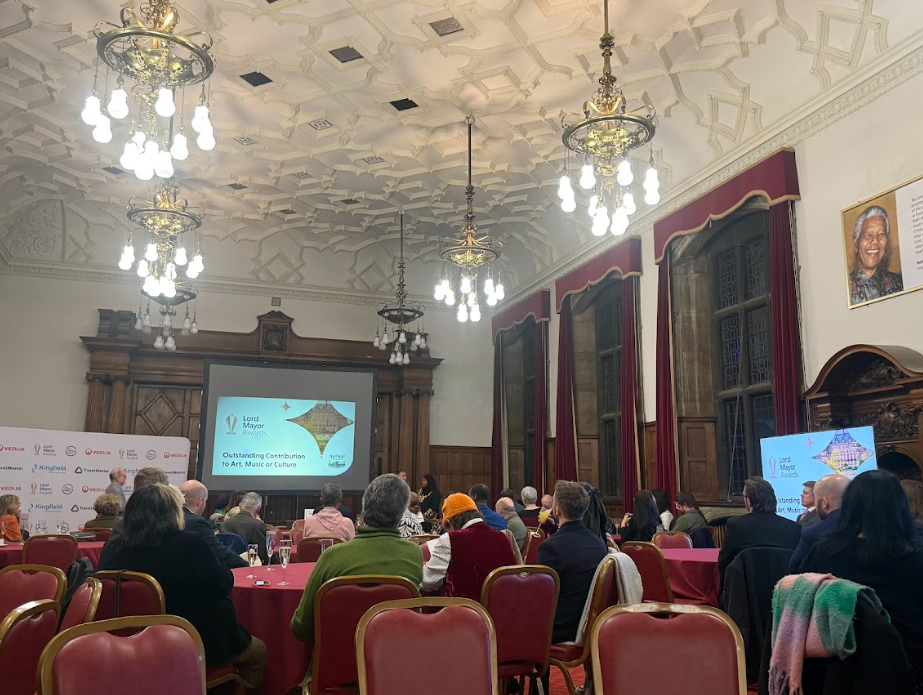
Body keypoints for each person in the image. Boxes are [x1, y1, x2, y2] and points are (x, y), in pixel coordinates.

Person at [98, 484, 266, 694]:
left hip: (121, 640)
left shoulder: (112, 546)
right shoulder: (189, 543)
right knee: (258, 651)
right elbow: (223, 584)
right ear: (174, 513)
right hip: (189, 641)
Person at [801, 470, 923, 684]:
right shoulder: (916, 554)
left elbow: (800, 601)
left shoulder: (823, 553)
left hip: (837, 669)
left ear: (850, 506)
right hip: (908, 670)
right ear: (900, 507)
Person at [292, 475, 423, 657]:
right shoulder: (414, 555)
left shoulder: (332, 556)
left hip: (334, 671)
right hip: (394, 669)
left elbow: (301, 628)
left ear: (364, 509)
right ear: (401, 515)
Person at [538, 481, 608, 643]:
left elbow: (542, 593)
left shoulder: (551, 547)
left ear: (556, 510)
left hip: (562, 627)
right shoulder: (598, 543)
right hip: (591, 623)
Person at [421, 493, 516, 599]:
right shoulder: (502, 536)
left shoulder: (450, 539)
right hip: (501, 608)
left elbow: (428, 582)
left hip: (465, 611)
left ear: (449, 522)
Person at [717, 477, 801, 581]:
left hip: (744, 589)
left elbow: (724, 561)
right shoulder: (794, 528)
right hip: (784, 590)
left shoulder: (736, 525)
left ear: (748, 500)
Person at [180, 480, 247, 570]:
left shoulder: (167, 517)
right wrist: (245, 564)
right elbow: (217, 551)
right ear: (199, 502)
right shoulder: (197, 523)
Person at [789, 474, 850, 573]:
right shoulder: (870, 526)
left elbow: (794, 570)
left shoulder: (812, 533)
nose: (801, 495)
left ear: (824, 502)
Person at [849, 205, 904, 305]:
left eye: (881, 235)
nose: (875, 241)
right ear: (856, 244)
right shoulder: (845, 289)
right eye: (868, 235)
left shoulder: (900, 283)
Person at [220, 492, 269, 565]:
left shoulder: (225, 524)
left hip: (227, 568)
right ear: (259, 508)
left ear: (239, 506)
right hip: (250, 567)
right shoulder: (258, 525)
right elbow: (263, 556)